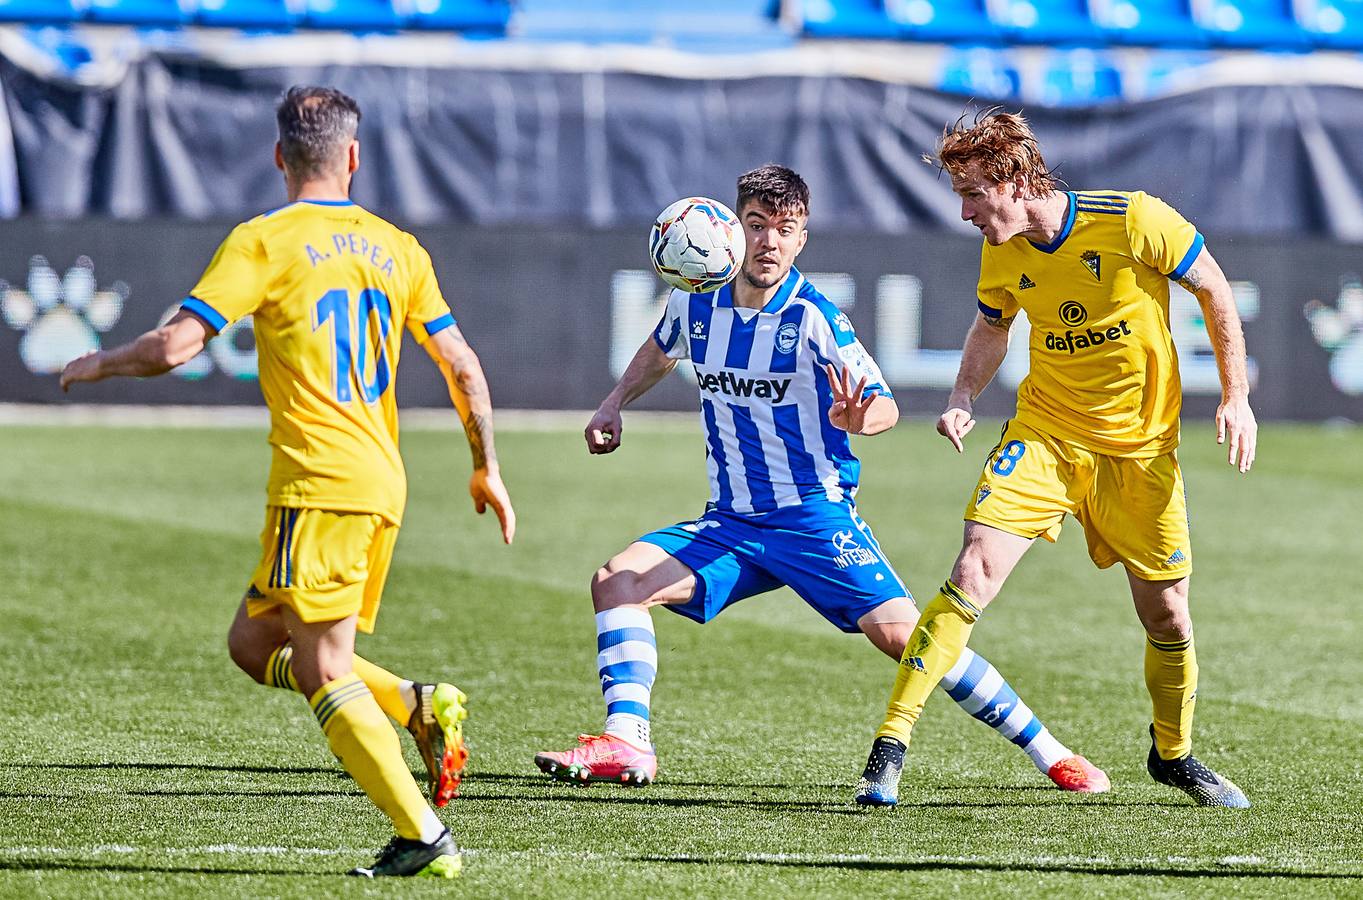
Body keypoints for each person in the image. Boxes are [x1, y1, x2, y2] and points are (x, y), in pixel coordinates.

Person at [533, 165, 1107, 793]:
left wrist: (864, 418)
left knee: (907, 639)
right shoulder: (695, 297)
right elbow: (662, 347)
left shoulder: (813, 317)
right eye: (757, 225)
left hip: (813, 519)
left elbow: (882, 401)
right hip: (731, 522)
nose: (770, 242)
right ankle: (626, 741)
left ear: (802, 238)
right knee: (616, 582)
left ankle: (1051, 753)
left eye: (786, 229)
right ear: (734, 229)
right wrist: (615, 401)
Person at [60, 86, 516, 876]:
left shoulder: (264, 240)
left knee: (322, 667)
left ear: (278, 156)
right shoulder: (398, 246)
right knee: (252, 643)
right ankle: (412, 702)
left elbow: (175, 347)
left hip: (322, 483)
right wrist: (486, 467)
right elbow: (463, 365)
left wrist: (96, 362)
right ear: (354, 156)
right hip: (373, 480)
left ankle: (422, 834)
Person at [856, 111, 1256, 808]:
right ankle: (888, 749)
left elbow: (1214, 288)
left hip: (1139, 451)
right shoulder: (1001, 249)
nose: (964, 212)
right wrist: (960, 394)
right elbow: (991, 325)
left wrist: (1235, 395)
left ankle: (1174, 754)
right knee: (970, 570)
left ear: (1013, 180)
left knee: (1166, 617)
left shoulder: (1133, 219)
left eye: (973, 194)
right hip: (1044, 436)